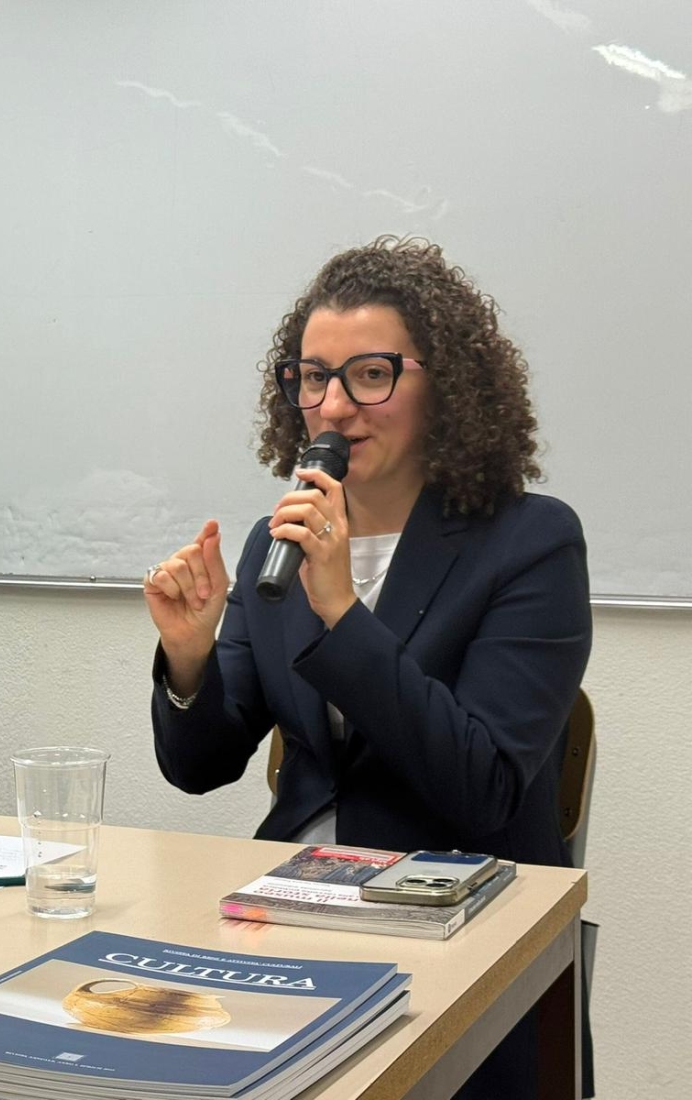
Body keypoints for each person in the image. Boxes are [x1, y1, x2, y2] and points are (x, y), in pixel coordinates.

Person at [144, 237, 591, 1099]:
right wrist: (189, 656)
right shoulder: (275, 544)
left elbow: (481, 787)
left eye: (370, 375)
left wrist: (342, 611)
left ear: (446, 388)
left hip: (457, 938)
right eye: (313, 377)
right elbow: (199, 769)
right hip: (289, 922)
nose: (335, 408)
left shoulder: (531, 543)